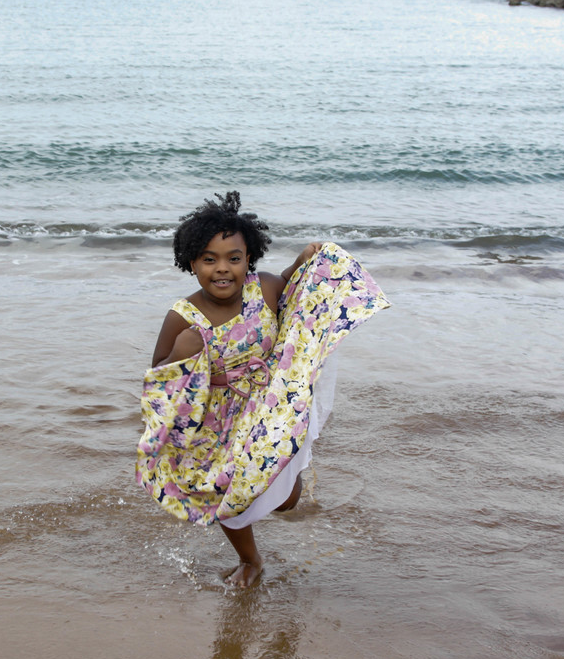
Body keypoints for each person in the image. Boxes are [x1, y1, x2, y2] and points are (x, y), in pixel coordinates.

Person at [136, 191, 390, 588]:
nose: (223, 269)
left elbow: (293, 288)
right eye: (209, 259)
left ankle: (286, 485)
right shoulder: (183, 316)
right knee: (227, 497)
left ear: (249, 259)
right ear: (191, 263)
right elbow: (158, 376)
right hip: (219, 421)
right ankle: (250, 559)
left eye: (234, 258)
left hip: (270, 405)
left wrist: (302, 261)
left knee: (286, 501)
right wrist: (183, 351)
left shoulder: (264, 288)